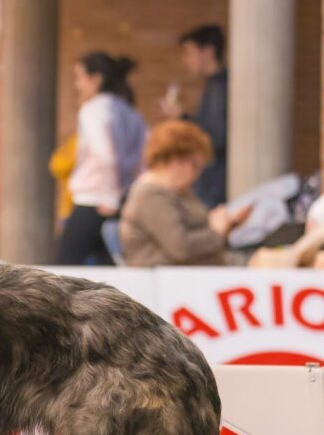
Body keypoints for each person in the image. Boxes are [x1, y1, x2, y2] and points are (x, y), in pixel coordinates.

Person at [119, 120, 250, 268]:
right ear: (175, 160)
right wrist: (215, 230)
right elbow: (180, 247)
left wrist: (226, 225)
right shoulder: (150, 196)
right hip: (168, 280)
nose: (197, 175)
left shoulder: (180, 192)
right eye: (194, 166)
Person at [56, 51, 146, 266]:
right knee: (108, 268)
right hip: (120, 197)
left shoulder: (94, 109)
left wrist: (110, 197)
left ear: (96, 79)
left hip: (95, 199)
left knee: (62, 267)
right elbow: (140, 159)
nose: (77, 85)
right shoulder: (131, 113)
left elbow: (106, 155)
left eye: (80, 78)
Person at [160, 24, 229, 208]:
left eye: (189, 53)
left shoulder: (220, 87)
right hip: (210, 182)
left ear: (208, 52)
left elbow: (215, 136)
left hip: (214, 185)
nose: (185, 60)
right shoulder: (214, 85)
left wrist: (182, 117)